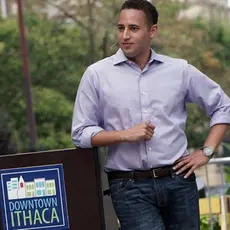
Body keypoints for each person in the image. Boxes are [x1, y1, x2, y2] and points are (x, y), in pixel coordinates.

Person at [71, 0, 230, 229]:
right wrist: (125, 135)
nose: (125, 35)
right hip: (129, 188)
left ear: (152, 31)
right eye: (120, 28)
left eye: (133, 28)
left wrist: (206, 152)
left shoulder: (179, 70)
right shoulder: (96, 75)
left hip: (179, 182)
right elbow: (80, 133)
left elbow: (222, 106)